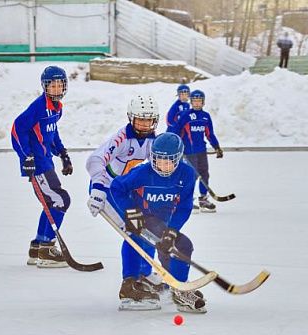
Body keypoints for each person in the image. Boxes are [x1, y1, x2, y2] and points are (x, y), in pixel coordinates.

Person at [109, 132, 207, 313]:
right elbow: (116, 187)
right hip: (142, 216)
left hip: (163, 221)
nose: (161, 165)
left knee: (181, 245)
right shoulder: (142, 172)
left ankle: (178, 288)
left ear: (178, 158)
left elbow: (184, 205)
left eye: (168, 160)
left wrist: (173, 230)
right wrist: (130, 211)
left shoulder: (186, 174)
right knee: (135, 238)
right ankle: (129, 285)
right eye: (158, 159)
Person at [85, 95, 160, 286]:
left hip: (126, 191)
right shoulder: (122, 138)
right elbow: (95, 160)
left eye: (149, 120)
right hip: (107, 189)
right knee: (134, 230)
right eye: (140, 119)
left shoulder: (154, 142)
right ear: (131, 118)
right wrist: (98, 188)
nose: (145, 125)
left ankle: (145, 273)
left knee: (148, 228)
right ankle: (130, 283)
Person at [11, 66, 74, 267]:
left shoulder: (57, 108)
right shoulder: (38, 106)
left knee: (51, 202)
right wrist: (25, 157)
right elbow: (16, 130)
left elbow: (51, 133)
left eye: (60, 85)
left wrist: (62, 153)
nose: (56, 88)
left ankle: (38, 246)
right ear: (45, 86)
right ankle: (47, 249)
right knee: (61, 200)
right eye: (52, 85)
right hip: (37, 165)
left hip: (47, 162)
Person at [168, 89, 223, 213]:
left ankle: (203, 200)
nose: (197, 103)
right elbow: (175, 131)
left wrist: (217, 147)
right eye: (195, 101)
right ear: (191, 102)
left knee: (205, 174)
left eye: (199, 101)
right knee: (191, 176)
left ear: (203, 102)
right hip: (188, 152)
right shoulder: (185, 115)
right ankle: (187, 201)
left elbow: (210, 134)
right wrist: (175, 145)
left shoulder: (206, 116)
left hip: (201, 151)